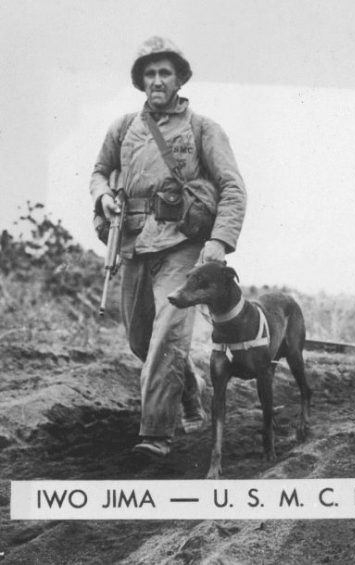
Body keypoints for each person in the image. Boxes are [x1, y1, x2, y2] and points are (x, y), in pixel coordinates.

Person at [89, 37, 247, 457]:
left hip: (183, 246)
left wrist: (219, 241)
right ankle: (190, 390)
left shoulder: (202, 128)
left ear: (179, 79)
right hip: (135, 244)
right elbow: (99, 172)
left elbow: (233, 188)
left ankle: (155, 434)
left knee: (167, 336)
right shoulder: (123, 127)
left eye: (165, 73)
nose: (157, 81)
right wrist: (103, 194)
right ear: (141, 81)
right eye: (150, 73)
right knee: (142, 341)